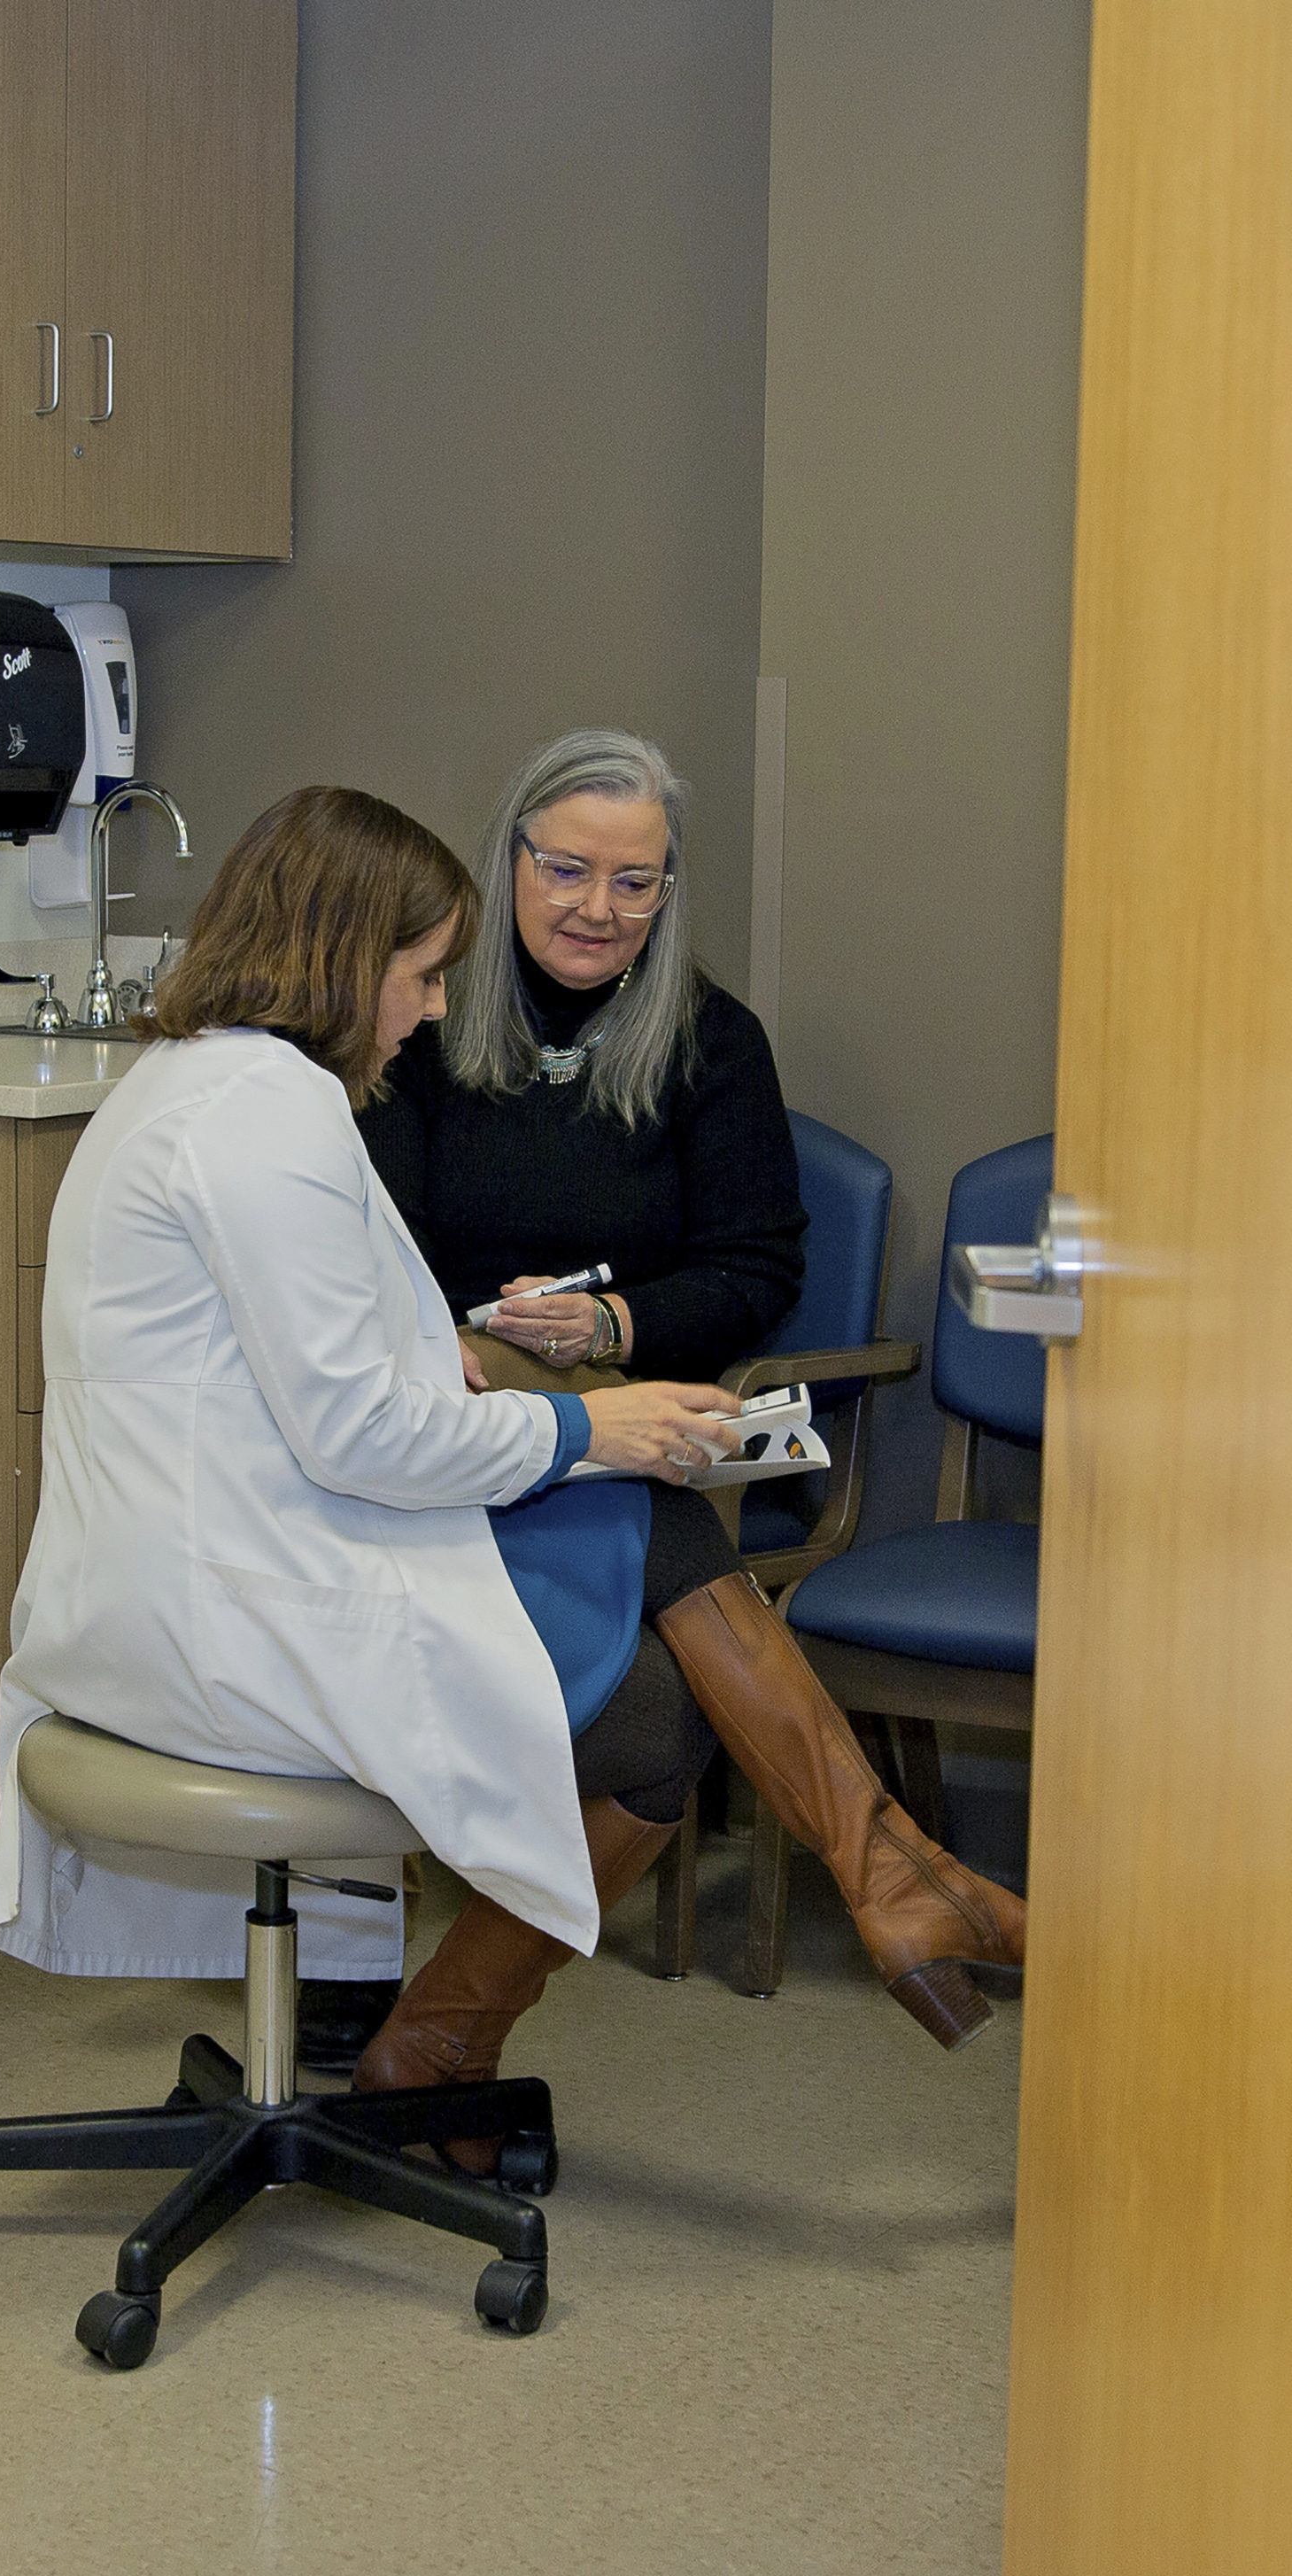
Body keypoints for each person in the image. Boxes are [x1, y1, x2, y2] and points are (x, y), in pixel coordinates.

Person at [0, 788, 751, 2163]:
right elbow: (361, 1442)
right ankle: (441, 2042)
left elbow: (312, 1385)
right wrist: (588, 1430)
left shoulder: (204, 1083)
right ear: (347, 960)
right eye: (421, 974)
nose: (431, 1010)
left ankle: (888, 1886)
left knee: (652, 1532)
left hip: (195, 1565)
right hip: (226, 1619)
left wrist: (505, 1389)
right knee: (651, 1706)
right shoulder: (263, 1121)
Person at [343, 727, 1030, 2068]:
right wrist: (469, 1336)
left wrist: (614, 1319)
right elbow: (361, 1241)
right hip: (435, 1424)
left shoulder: (712, 1040)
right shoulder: (417, 1016)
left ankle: (436, 2043)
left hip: (623, 1424)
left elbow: (757, 1268)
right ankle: (885, 1868)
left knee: (654, 1702)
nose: (598, 909)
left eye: (635, 883)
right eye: (566, 871)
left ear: (669, 893)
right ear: (511, 862)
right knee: (650, 1607)